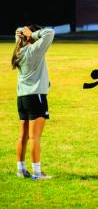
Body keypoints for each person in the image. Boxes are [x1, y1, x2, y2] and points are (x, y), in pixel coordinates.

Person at [12, 25, 55, 180]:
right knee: (34, 137)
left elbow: (18, 33)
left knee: (22, 136)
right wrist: (34, 34)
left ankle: (21, 169)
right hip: (36, 97)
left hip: (22, 98)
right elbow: (50, 32)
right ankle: (37, 172)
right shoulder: (35, 50)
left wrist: (22, 33)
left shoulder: (19, 50)